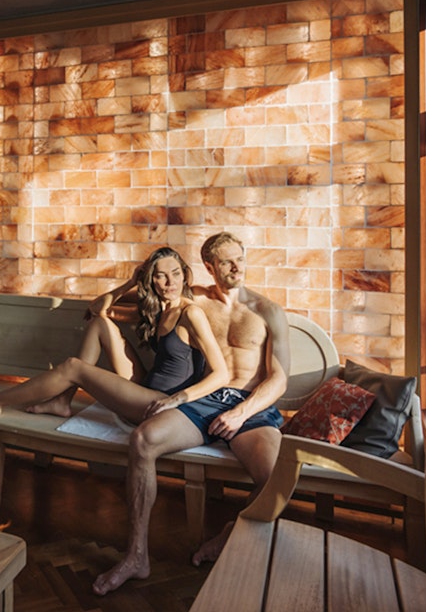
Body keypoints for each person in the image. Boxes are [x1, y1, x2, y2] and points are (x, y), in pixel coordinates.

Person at [92, 231, 291, 595]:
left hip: (250, 407)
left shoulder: (268, 312)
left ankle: (233, 532)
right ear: (209, 267)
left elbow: (279, 379)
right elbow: (109, 306)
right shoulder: (188, 298)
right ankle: (136, 555)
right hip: (202, 400)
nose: (236, 267)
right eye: (227, 261)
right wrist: (137, 277)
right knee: (143, 439)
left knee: (276, 478)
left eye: (241, 258)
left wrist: (241, 412)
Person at [0, 247, 234, 440]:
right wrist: (131, 282)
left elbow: (222, 373)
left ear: (185, 274)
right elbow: (97, 309)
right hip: (146, 387)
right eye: (160, 275)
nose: (169, 281)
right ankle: (62, 400)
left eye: (175, 273)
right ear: (152, 279)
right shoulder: (158, 309)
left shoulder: (191, 313)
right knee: (99, 324)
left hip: (159, 404)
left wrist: (178, 399)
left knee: (74, 367)